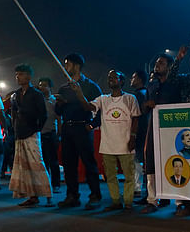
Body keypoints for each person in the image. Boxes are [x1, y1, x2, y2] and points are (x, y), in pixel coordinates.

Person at [55, 53, 103, 210]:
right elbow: (58, 111)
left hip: (83, 128)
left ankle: (95, 195)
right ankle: (72, 196)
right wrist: (60, 103)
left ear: (76, 65)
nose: (65, 67)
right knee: (69, 164)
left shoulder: (91, 86)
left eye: (67, 64)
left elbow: (100, 110)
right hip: (68, 128)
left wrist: (92, 125)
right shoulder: (64, 87)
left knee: (89, 163)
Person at [89, 70, 141, 211]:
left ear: (122, 81)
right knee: (110, 176)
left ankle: (128, 202)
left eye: (114, 77)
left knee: (129, 175)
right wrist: (78, 93)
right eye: (109, 77)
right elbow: (89, 107)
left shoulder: (130, 98)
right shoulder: (103, 99)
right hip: (107, 146)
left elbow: (136, 118)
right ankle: (116, 201)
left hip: (125, 144)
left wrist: (133, 137)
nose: (111, 79)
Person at [141, 50, 183, 214]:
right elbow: (144, 108)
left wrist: (179, 57)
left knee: (176, 161)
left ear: (170, 67)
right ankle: (152, 200)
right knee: (151, 161)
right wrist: (148, 104)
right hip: (154, 127)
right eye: (157, 63)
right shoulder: (151, 85)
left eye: (161, 63)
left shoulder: (175, 83)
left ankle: (180, 201)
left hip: (173, 128)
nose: (157, 66)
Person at [8, 64, 52, 207]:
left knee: (37, 164)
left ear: (28, 76)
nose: (17, 77)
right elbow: (13, 113)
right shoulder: (16, 94)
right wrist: (15, 128)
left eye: (20, 74)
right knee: (24, 166)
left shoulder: (36, 94)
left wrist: (36, 129)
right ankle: (32, 196)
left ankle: (48, 196)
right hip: (19, 133)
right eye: (16, 74)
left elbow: (43, 115)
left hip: (32, 133)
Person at [38, 77, 61, 194]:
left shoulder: (54, 100)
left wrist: (59, 134)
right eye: (40, 85)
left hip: (51, 134)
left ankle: (56, 184)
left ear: (50, 87)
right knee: (43, 162)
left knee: (53, 161)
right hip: (39, 135)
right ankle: (45, 184)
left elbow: (58, 118)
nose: (41, 87)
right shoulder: (38, 101)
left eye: (44, 85)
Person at [130, 70, 150, 203]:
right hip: (144, 131)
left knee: (137, 161)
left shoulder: (138, 95)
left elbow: (138, 116)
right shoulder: (144, 93)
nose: (131, 79)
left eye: (133, 77)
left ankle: (137, 188)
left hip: (140, 132)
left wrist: (133, 133)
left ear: (140, 79)